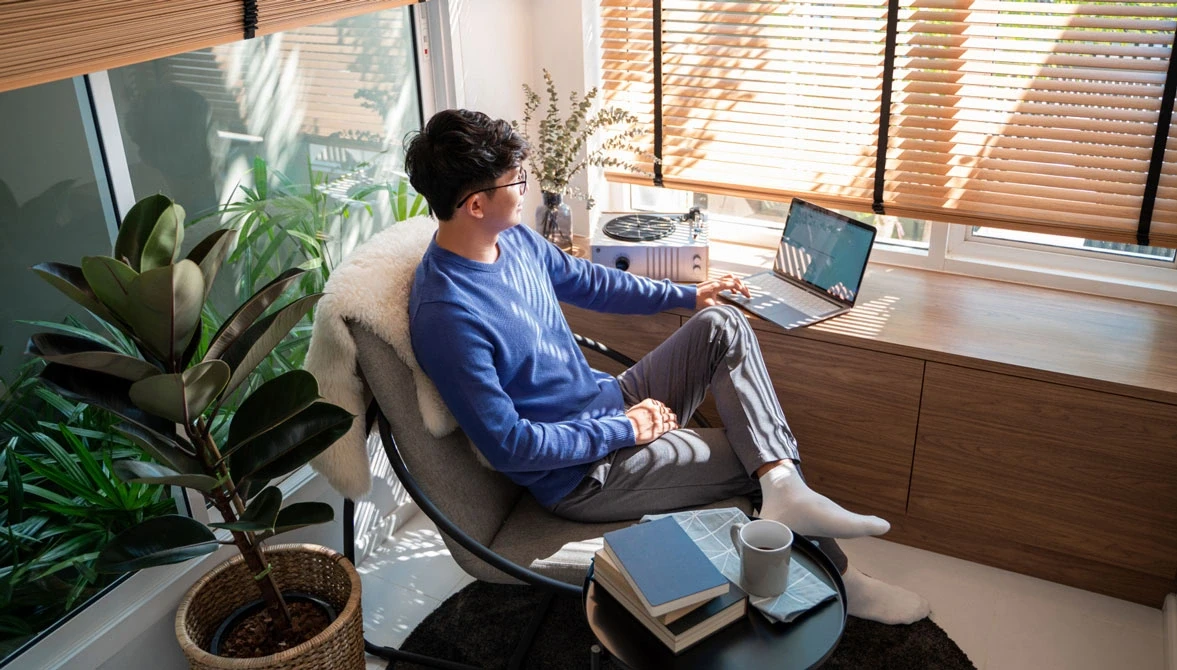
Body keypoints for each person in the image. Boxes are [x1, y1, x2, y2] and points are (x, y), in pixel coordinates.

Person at [405, 109, 929, 625]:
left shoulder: (512, 240)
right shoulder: (447, 315)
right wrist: (624, 428)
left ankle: (786, 493)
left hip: (612, 400)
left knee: (722, 326)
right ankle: (842, 580)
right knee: (755, 462)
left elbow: (591, 282)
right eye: (516, 181)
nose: (526, 188)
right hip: (583, 473)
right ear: (476, 204)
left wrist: (687, 294)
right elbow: (512, 447)